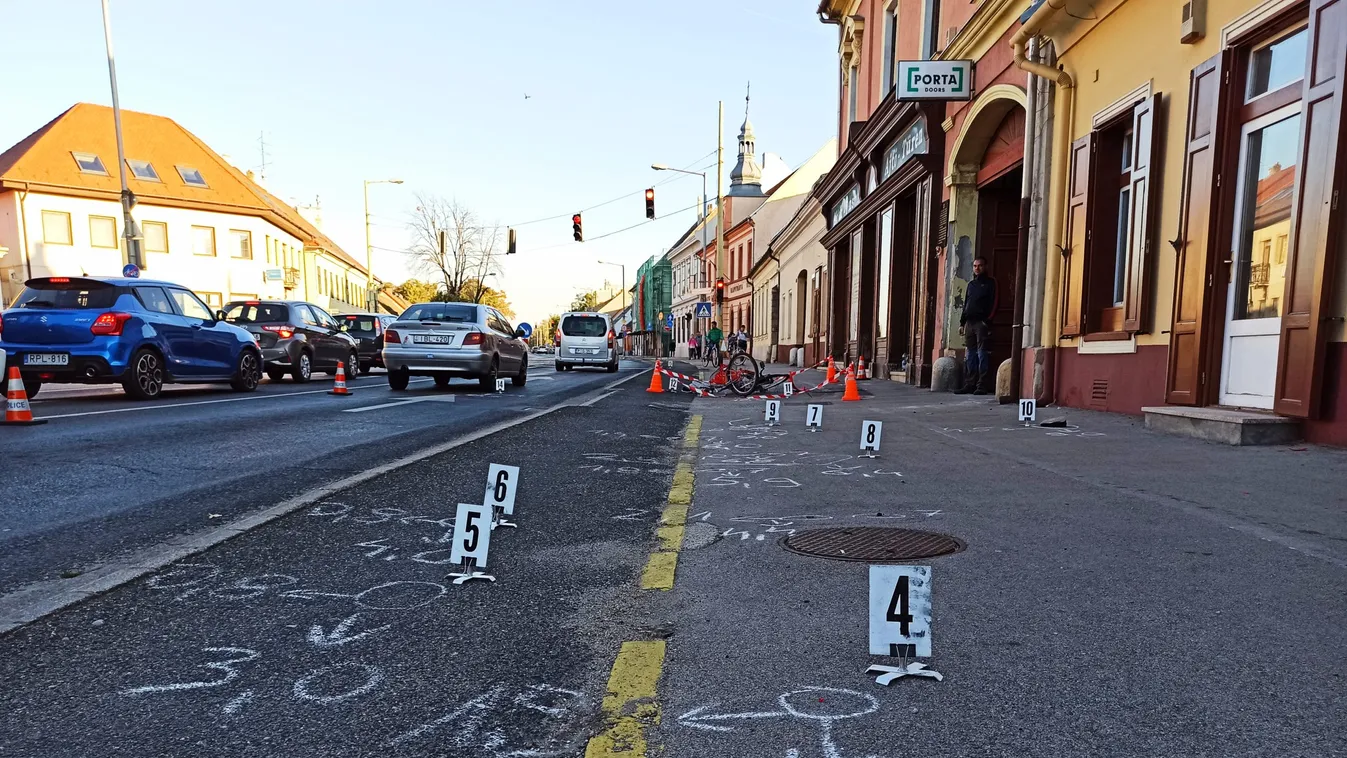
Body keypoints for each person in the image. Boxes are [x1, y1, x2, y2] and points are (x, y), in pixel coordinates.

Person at [955, 256, 997, 395]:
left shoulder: (991, 283)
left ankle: (982, 385)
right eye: (975, 266)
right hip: (969, 323)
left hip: (981, 324)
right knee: (970, 354)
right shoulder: (971, 285)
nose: (977, 268)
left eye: (980, 265)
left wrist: (987, 321)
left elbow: (994, 302)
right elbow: (966, 304)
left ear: (985, 266)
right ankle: (969, 384)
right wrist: (962, 323)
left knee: (982, 354)